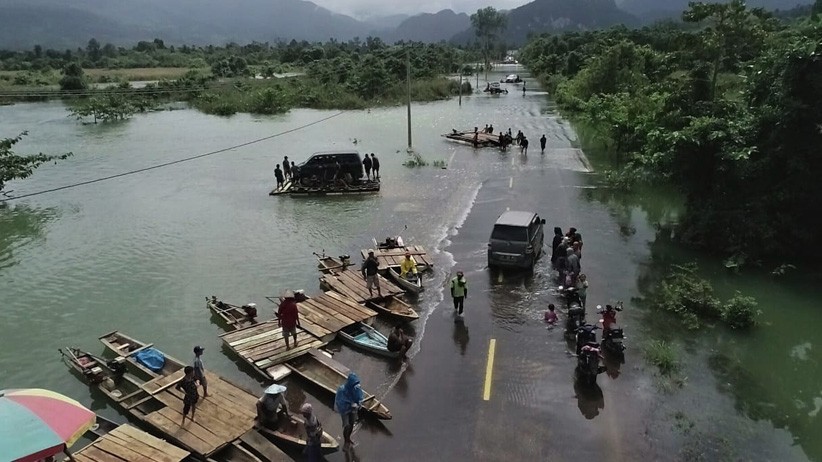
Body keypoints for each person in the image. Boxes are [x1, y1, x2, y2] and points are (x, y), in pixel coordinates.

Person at [335, 372, 363, 450]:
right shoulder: (342, 390)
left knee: (351, 424)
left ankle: (348, 438)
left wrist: (359, 403)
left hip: (353, 409)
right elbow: (339, 401)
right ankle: (346, 441)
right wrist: (349, 404)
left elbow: (360, 397)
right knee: (346, 426)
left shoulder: (356, 388)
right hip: (345, 410)